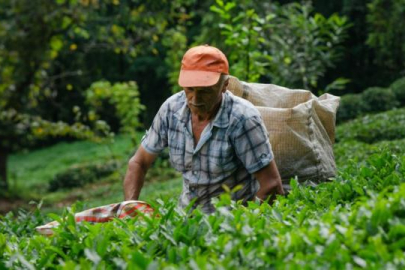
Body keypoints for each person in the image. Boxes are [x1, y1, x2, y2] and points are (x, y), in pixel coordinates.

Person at [123, 45, 284, 213]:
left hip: (231, 220)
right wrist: (129, 208)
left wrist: (246, 226)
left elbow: (271, 186)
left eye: (205, 91)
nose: (195, 98)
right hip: (186, 219)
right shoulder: (171, 110)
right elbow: (138, 163)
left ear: (225, 85)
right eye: (190, 89)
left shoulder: (242, 118)